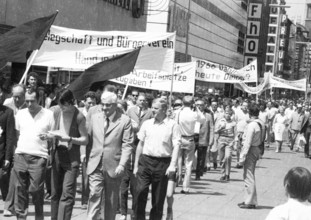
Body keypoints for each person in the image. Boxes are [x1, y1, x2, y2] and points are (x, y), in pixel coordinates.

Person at [86, 91, 134, 220]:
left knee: (111, 201)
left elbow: (127, 144)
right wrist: (82, 155)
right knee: (94, 194)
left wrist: (122, 164)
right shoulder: (95, 117)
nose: (104, 108)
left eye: (107, 105)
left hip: (114, 166)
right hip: (95, 163)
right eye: (103, 104)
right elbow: (87, 138)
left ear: (114, 105)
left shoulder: (124, 120)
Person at [133, 98, 181, 220]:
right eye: (152, 107)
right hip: (145, 161)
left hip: (163, 164)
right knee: (139, 192)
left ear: (164, 109)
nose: (152, 110)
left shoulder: (173, 125)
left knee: (158, 198)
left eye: (155, 108)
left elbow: (177, 146)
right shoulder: (146, 124)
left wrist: (172, 165)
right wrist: (136, 165)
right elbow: (140, 144)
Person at [13, 89, 55, 219]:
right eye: (27, 101)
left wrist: (48, 137)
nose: (29, 104)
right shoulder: (20, 113)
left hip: (38, 158)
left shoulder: (48, 114)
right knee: (19, 190)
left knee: (36, 190)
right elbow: (17, 134)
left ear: (39, 100)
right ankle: (21, 216)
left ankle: (39, 217)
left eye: (32, 101)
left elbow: (53, 135)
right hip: (21, 155)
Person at [49, 89, 89, 220]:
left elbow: (85, 139)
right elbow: (51, 130)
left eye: (64, 105)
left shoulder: (79, 116)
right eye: (59, 105)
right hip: (57, 155)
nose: (61, 108)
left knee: (67, 194)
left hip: (71, 158)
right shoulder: (56, 111)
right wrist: (47, 136)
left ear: (71, 103)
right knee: (55, 193)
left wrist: (70, 139)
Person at [120, 94, 153, 220]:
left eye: (144, 100)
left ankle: (134, 212)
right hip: (130, 143)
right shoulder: (130, 110)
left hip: (141, 146)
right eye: (140, 100)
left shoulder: (150, 112)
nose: (142, 102)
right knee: (123, 186)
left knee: (135, 186)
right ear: (136, 100)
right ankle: (123, 212)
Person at [3, 84, 27, 217]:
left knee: (14, 174)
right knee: (8, 175)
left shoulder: (29, 106)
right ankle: (10, 204)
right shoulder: (8, 105)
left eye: (19, 97)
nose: (16, 99)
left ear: (24, 95)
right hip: (8, 143)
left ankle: (10, 205)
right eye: (14, 96)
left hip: (21, 145)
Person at [238, 104, 265, 209]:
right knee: (250, 174)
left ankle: (250, 201)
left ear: (250, 114)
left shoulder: (252, 125)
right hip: (257, 148)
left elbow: (247, 143)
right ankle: (248, 199)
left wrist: (241, 157)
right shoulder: (261, 123)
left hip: (251, 149)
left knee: (248, 175)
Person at [175, 96, 199, 193]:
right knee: (188, 164)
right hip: (189, 139)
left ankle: (175, 182)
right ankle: (186, 187)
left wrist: (181, 107)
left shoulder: (179, 112)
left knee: (177, 161)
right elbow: (202, 119)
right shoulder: (194, 114)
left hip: (179, 138)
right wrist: (196, 107)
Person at [78, 91, 97, 209]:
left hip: (94, 147)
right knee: (85, 176)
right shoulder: (79, 114)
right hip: (81, 146)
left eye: (93, 103)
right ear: (84, 102)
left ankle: (93, 199)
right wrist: (82, 152)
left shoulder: (98, 113)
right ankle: (84, 201)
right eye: (89, 103)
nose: (91, 105)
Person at [0, 85, 15, 206]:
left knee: (4, 180)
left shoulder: (8, 112)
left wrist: (7, 157)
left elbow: (10, 136)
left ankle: (7, 205)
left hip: (2, 153)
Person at [194, 99, 214, 180]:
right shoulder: (193, 114)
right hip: (193, 138)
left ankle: (198, 174)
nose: (199, 106)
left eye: (201, 105)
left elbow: (212, 128)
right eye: (197, 105)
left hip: (203, 138)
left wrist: (211, 139)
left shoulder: (208, 116)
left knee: (201, 158)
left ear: (204, 106)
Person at [216, 107, 236, 181]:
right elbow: (215, 131)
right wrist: (220, 128)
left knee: (228, 157)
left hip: (229, 140)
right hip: (221, 139)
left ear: (231, 114)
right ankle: (223, 173)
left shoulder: (233, 123)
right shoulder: (220, 121)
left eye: (229, 113)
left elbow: (235, 134)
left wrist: (235, 143)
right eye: (226, 113)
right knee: (221, 159)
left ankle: (227, 174)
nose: (227, 115)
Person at [234, 101, 249, 168]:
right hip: (239, 132)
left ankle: (243, 161)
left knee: (245, 148)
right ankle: (238, 161)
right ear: (241, 106)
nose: (245, 107)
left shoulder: (249, 114)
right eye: (244, 105)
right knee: (238, 148)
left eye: (246, 106)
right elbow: (235, 121)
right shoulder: (237, 113)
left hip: (246, 133)